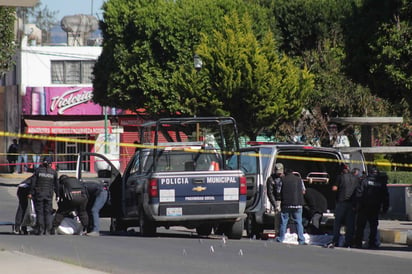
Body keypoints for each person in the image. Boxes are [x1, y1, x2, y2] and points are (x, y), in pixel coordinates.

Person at [353, 167, 389, 249]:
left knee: (360, 226)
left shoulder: (364, 181)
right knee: (373, 226)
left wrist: (356, 206)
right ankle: (372, 242)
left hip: (364, 207)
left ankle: (358, 242)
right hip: (375, 208)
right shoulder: (381, 183)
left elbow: (359, 194)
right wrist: (384, 209)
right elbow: (385, 197)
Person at [329, 166, 360, 248]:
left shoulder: (340, 177)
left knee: (337, 223)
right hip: (351, 204)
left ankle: (335, 241)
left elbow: (334, 188)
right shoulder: (356, 179)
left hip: (341, 202)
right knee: (350, 224)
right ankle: (348, 242)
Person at [275, 168, 307, 245]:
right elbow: (303, 191)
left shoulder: (282, 180)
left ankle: (281, 238)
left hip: (286, 204)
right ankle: (301, 239)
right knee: (299, 222)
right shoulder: (299, 179)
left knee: (284, 222)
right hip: (298, 204)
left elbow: (278, 191)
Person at [29, 156, 58, 235]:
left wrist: (31, 193)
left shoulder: (38, 171)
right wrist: (58, 195)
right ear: (50, 164)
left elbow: (33, 183)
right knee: (47, 212)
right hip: (49, 194)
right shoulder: (54, 172)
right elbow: (56, 185)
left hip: (39, 194)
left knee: (40, 212)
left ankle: (40, 229)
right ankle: (47, 230)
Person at [267, 163, 284, 235]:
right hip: (277, 200)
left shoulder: (285, 178)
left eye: (280, 172)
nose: (279, 174)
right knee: (278, 218)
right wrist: (274, 204)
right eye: (278, 172)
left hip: (285, 200)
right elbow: (270, 193)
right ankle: (278, 233)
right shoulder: (271, 179)